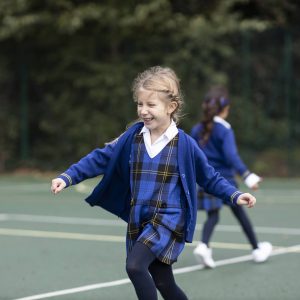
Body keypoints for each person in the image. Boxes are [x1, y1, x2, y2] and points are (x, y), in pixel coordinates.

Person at [51, 67, 257, 300]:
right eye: (140, 104)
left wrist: (234, 195)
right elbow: (101, 157)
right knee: (164, 282)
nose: (144, 111)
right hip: (140, 216)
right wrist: (67, 177)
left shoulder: (185, 145)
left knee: (135, 266)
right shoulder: (132, 137)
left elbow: (209, 177)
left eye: (151, 105)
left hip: (169, 219)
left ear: (171, 107)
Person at [190, 86, 272, 269]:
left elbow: (191, 156)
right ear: (225, 109)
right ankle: (257, 249)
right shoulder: (225, 130)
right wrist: (248, 176)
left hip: (205, 180)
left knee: (213, 216)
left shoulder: (196, 129)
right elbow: (231, 156)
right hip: (225, 182)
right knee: (241, 215)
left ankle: (203, 246)